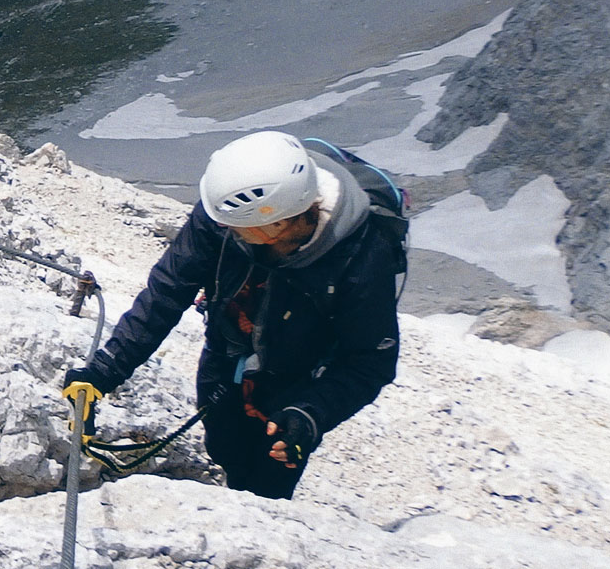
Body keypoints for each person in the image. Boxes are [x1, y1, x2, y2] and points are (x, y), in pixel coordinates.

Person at [62, 130, 403, 499]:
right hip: (225, 351)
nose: (221, 229)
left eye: (235, 227)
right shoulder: (226, 214)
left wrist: (310, 413)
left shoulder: (363, 258)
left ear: (276, 225)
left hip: (297, 377)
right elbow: (166, 293)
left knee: (269, 480)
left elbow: (370, 360)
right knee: (223, 446)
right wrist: (103, 371)